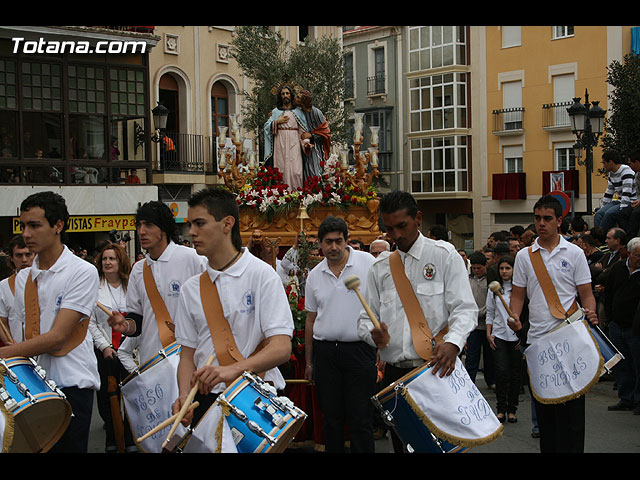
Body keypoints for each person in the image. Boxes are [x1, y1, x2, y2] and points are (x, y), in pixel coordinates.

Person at [356, 190, 478, 453]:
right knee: (403, 447)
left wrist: (453, 344)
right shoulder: (380, 268)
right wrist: (372, 334)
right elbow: (366, 319)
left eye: (402, 226)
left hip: (436, 368)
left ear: (418, 218)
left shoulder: (444, 255)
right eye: (390, 229)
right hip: (396, 375)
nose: (397, 235)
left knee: (443, 447)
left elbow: (465, 309)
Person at [171, 187, 293, 429]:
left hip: (255, 398)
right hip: (206, 401)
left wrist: (233, 370)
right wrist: (184, 397)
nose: (191, 232)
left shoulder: (262, 275)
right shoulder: (190, 288)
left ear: (227, 224)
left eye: (199, 223)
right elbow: (187, 355)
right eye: (190, 224)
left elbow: (281, 347)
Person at [0, 191, 100, 453]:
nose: (26, 234)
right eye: (23, 226)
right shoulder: (23, 279)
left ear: (58, 225)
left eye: (35, 225)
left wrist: (4, 354)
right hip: (32, 385)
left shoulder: (82, 271)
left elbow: (58, 337)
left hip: (71, 383)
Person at [509, 194, 598, 453]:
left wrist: (591, 313)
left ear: (559, 221)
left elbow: (586, 293)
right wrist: (515, 316)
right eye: (537, 218)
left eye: (547, 219)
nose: (541, 224)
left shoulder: (575, 253)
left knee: (573, 410)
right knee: (546, 410)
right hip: (538, 341)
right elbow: (517, 295)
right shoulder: (525, 256)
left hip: (570, 337)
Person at [304, 216, 376, 453]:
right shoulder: (314, 275)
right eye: (328, 242)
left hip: (360, 351)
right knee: (331, 420)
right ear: (320, 244)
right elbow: (311, 319)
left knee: (361, 418)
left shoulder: (367, 263)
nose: (333, 247)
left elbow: (383, 304)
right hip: (325, 355)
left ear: (346, 241)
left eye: (338, 241)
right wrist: (308, 362)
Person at [89, 242, 137, 453]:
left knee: (132, 394)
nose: (108, 262)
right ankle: (111, 435)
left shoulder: (132, 286)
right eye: (105, 259)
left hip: (131, 349)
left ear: (120, 261)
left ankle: (129, 436)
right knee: (106, 397)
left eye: (112, 259)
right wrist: (104, 346)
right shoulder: (94, 288)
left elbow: (138, 317)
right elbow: (90, 322)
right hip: (105, 351)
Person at [603, 237, 640, 414]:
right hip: (617, 325)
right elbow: (608, 293)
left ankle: (638, 399)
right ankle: (626, 398)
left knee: (638, 365)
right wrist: (609, 318)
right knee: (622, 365)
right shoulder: (618, 268)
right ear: (630, 254)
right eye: (638, 256)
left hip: (636, 328)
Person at [486, 255, 521, 424]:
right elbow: (490, 313)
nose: (504, 271)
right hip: (499, 334)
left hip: (516, 337)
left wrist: (524, 334)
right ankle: (500, 409)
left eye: (508, 268)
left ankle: (512, 409)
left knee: (515, 374)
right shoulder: (493, 290)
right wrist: (489, 333)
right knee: (501, 372)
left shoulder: (520, 289)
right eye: (502, 268)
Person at [264, 84, 306, 191]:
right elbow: (266, 128)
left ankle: (297, 193)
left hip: (294, 142)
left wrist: (305, 143)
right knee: (281, 168)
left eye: (287, 93)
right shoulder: (275, 112)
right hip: (280, 142)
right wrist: (276, 121)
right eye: (283, 94)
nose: (285, 95)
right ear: (280, 96)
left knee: (296, 171)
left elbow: (303, 130)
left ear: (291, 95)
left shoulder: (299, 112)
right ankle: (282, 195)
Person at [466, 251, 494, 388]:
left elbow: (492, 302)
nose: (476, 271)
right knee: (472, 355)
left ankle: (491, 380)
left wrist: (481, 312)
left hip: (487, 323)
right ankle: (469, 383)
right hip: (473, 325)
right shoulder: (468, 280)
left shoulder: (490, 280)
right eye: (474, 268)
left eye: (479, 268)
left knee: (489, 357)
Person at [0, 235, 34, 344]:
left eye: (28, 254)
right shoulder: (4, 286)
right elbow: (3, 321)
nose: (24, 260)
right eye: (19, 255)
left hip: (43, 351)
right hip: (17, 351)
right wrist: (8, 342)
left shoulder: (47, 282)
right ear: (11, 257)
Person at [594, 149, 637, 231]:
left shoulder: (626, 171)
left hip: (629, 201)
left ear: (610, 162)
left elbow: (626, 192)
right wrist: (603, 207)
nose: (603, 166)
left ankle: (601, 237)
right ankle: (598, 236)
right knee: (599, 214)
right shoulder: (611, 173)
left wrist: (623, 209)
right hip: (619, 200)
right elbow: (609, 192)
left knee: (609, 214)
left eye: (604, 163)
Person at [294, 89, 331, 183]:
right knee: (305, 172)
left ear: (303, 101)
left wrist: (311, 135)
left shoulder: (316, 112)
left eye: (298, 97)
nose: (295, 98)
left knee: (315, 171)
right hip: (303, 147)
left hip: (316, 148)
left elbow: (325, 132)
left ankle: (317, 191)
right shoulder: (299, 112)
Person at [617, 149, 640, 238]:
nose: (629, 166)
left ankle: (630, 238)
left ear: (637, 162)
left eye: (630, 163)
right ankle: (624, 237)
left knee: (635, 214)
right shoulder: (637, 175)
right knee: (621, 214)